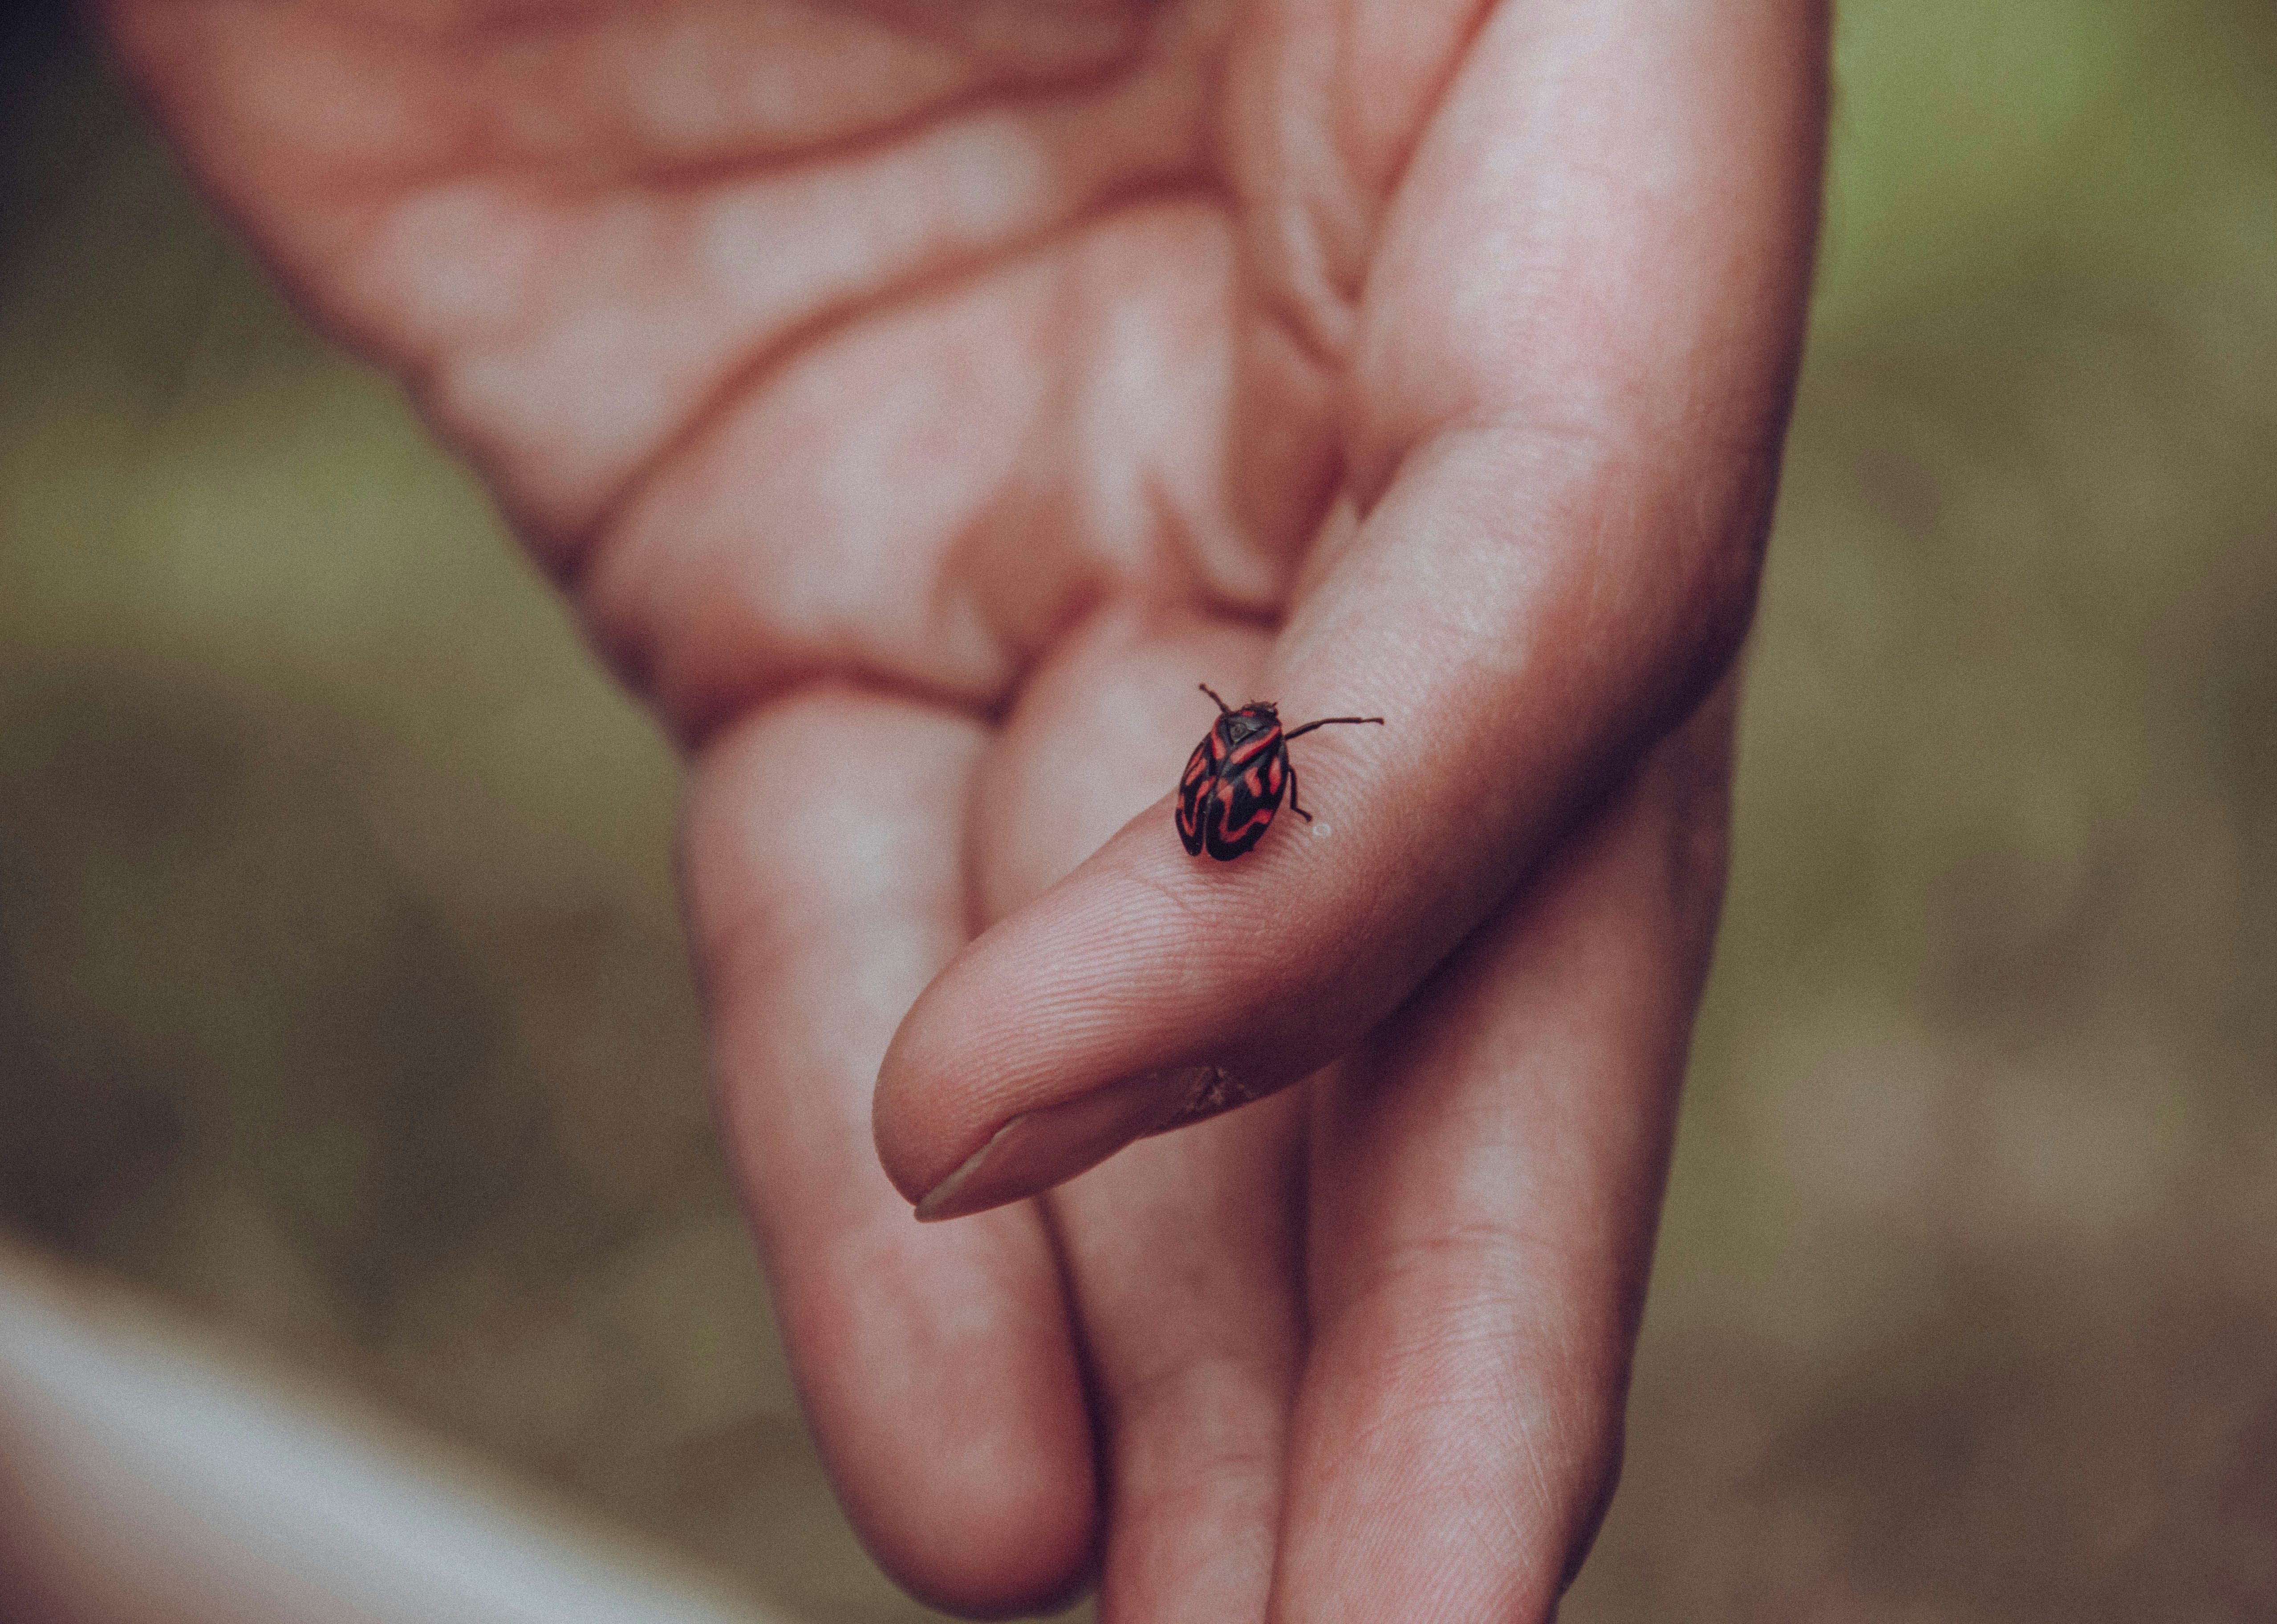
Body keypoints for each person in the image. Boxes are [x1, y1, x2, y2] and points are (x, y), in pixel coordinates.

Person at [99, 0, 1826, 1614]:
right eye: (1258, 758)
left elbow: (1236, 804)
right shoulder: (1256, 762)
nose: (1254, 765)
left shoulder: (1253, 762)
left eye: (1258, 763)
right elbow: (1237, 802)